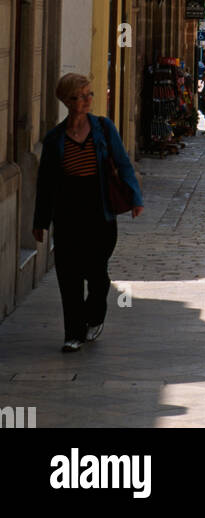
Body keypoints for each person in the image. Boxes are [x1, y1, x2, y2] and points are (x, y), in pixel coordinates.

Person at [33, 73, 143, 352]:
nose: (86, 100)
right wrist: (41, 220)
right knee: (68, 274)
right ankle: (74, 333)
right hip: (68, 213)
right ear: (66, 101)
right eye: (79, 96)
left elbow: (123, 164)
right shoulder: (55, 138)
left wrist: (135, 197)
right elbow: (45, 183)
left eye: (89, 94)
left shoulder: (104, 129)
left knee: (96, 274)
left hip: (100, 212)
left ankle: (94, 316)